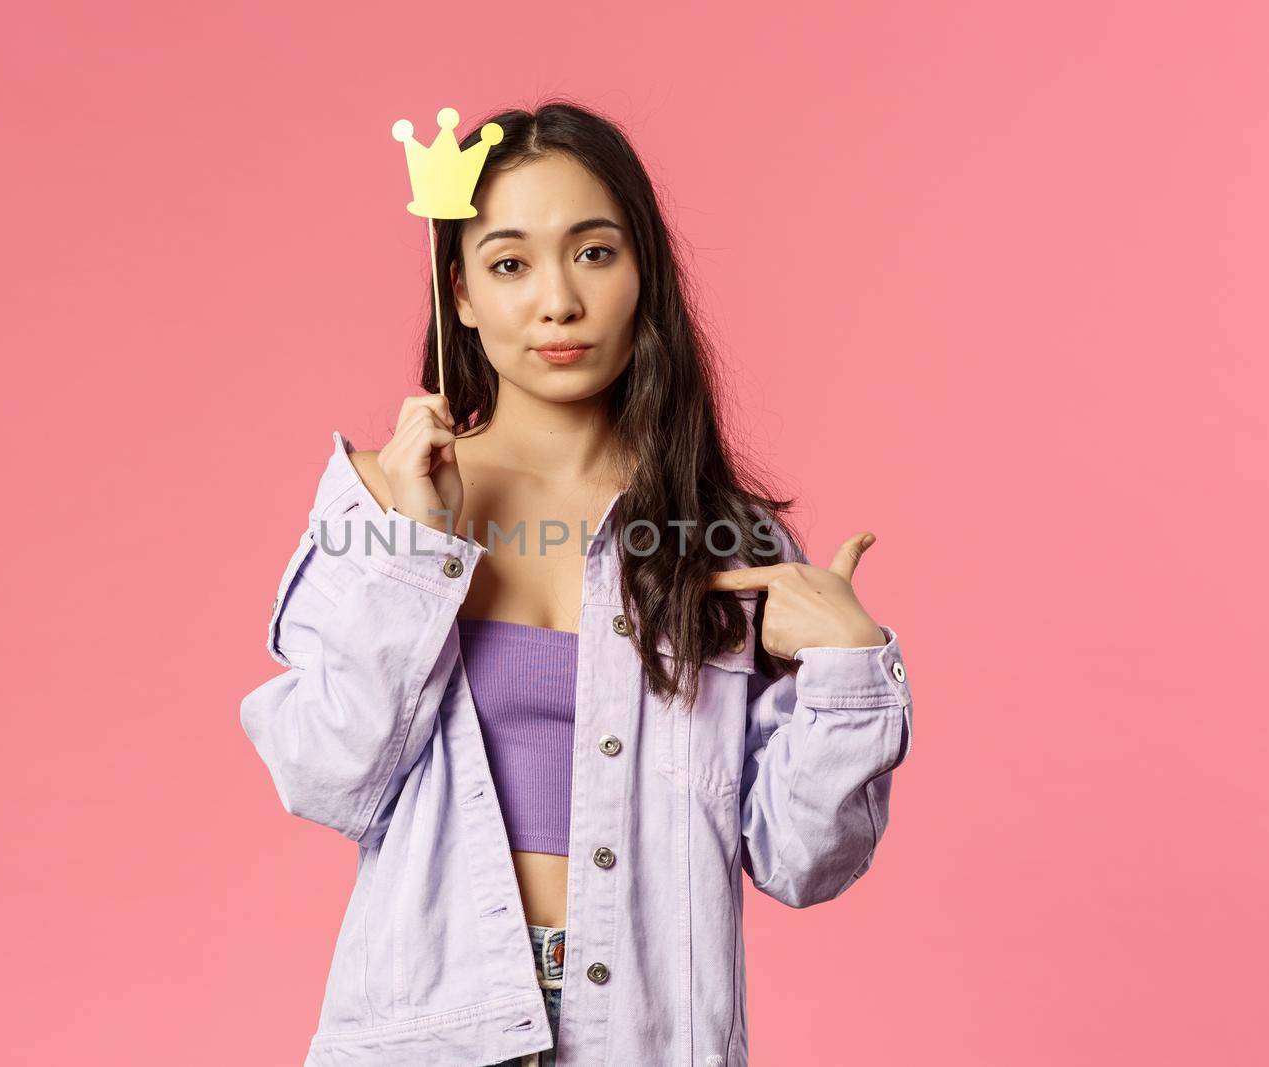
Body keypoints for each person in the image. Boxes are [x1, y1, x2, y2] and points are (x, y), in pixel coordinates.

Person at [239, 99, 914, 1067]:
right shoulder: (382, 499)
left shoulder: (724, 536)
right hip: (431, 1026)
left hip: (648, 1032)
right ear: (459, 291)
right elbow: (324, 774)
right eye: (509, 262)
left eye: (593, 253)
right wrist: (415, 553)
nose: (557, 300)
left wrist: (848, 672)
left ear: (643, 274)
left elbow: (803, 860)